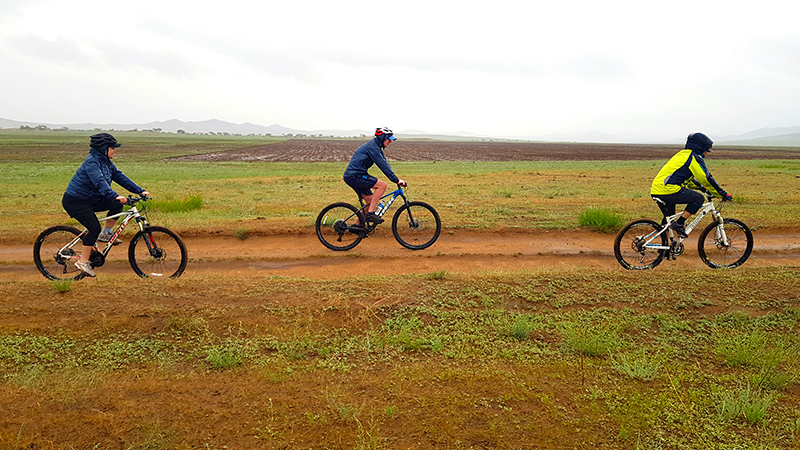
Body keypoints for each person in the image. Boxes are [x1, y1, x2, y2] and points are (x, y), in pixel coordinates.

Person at [62, 133, 149, 277]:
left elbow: (120, 177)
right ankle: (83, 262)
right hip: (75, 201)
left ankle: (106, 234)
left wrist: (140, 190)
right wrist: (115, 195)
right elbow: (100, 182)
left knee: (116, 205)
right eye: (113, 148)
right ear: (103, 148)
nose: (115, 150)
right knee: (93, 227)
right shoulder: (92, 163)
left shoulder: (106, 162)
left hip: (91, 199)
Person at [650, 132, 732, 238]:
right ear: (701, 148)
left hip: (657, 190)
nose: (706, 154)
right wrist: (722, 193)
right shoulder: (693, 157)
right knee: (698, 199)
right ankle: (680, 223)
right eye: (707, 150)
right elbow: (706, 178)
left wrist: (703, 189)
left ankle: (664, 250)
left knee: (668, 222)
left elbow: (689, 180)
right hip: (669, 190)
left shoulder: (682, 154)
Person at [343, 127, 406, 224]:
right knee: (382, 185)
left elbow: (385, 163)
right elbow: (383, 165)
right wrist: (396, 180)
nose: (390, 141)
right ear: (382, 137)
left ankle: (357, 226)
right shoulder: (372, 147)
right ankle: (371, 214)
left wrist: (396, 178)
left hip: (356, 175)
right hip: (355, 175)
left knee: (370, 201)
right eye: (389, 139)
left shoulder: (376, 147)